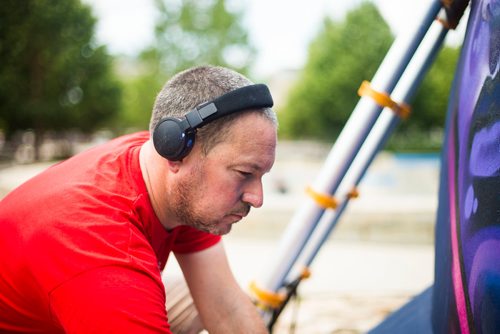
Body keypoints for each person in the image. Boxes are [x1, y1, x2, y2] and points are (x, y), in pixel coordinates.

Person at [0, 65, 278, 333]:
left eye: (261, 175)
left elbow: (226, 307)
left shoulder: (169, 177)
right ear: (175, 149)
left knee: (205, 298)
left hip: (69, 303)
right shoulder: (103, 248)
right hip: (80, 284)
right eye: (244, 173)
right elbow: (110, 269)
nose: (257, 198)